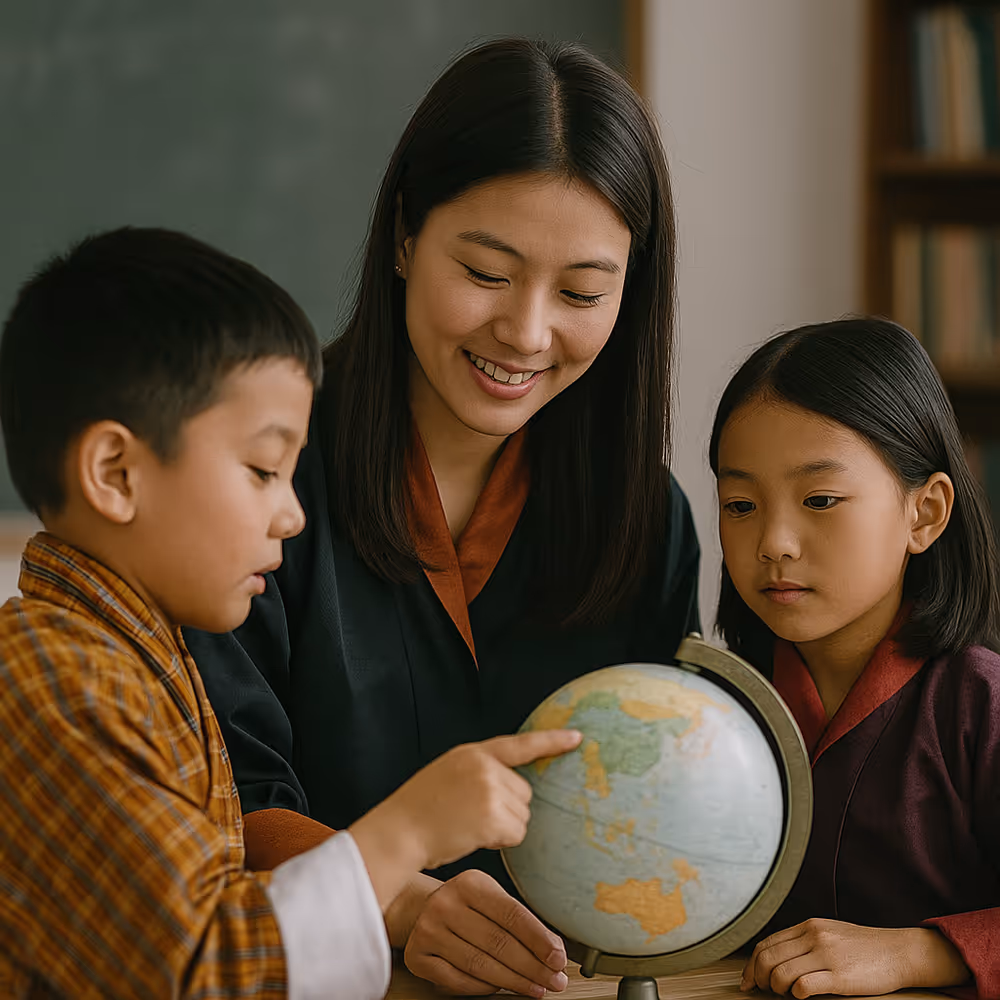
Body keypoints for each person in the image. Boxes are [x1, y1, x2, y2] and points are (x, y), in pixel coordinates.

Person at [185, 35, 700, 998]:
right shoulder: (265, 470)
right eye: (488, 272)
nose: (527, 332)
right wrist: (401, 901)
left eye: (583, 291)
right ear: (404, 237)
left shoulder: (646, 518)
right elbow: (219, 795)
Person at [0, 226, 582, 999]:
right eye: (265, 470)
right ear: (116, 472)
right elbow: (204, 970)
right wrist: (404, 833)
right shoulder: (55, 682)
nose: (292, 515)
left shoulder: (140, 658)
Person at [709, 318, 1000, 999]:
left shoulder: (978, 706)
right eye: (740, 504)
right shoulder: (714, 712)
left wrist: (922, 954)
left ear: (924, 513)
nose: (774, 541)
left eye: (820, 500)